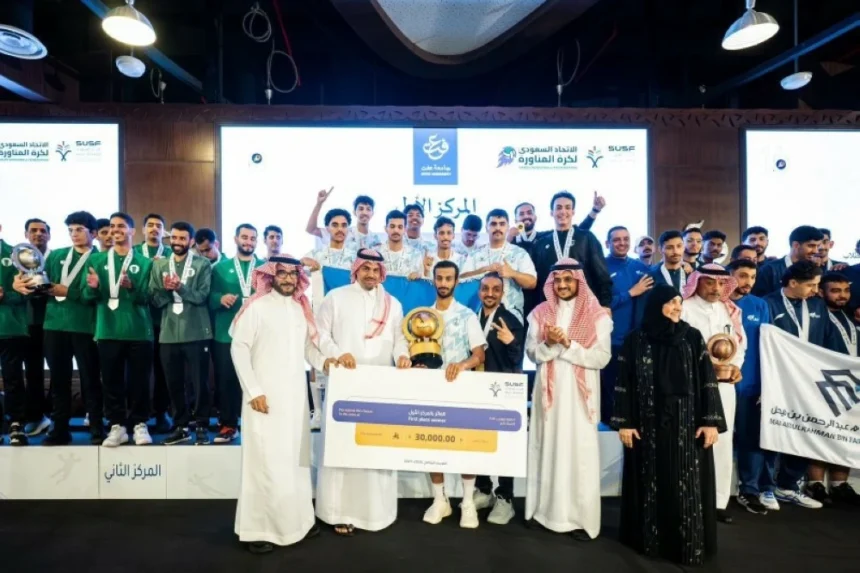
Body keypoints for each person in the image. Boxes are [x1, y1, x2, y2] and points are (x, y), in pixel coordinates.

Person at [612, 284, 726, 566]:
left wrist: (710, 422)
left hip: (688, 426)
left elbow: (707, 380)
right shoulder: (636, 339)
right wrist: (625, 422)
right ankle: (651, 543)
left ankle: (687, 545)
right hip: (646, 427)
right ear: (656, 305)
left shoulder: (692, 337)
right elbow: (624, 382)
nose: (677, 307)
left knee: (686, 484)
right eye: (671, 302)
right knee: (650, 482)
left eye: (679, 302)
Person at [230, 255, 334, 554]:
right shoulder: (256, 307)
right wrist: (254, 391)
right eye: (282, 273)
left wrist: (326, 362)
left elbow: (307, 349)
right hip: (263, 400)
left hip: (294, 401)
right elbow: (239, 349)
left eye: (292, 274)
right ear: (270, 276)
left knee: (295, 462)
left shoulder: (300, 308)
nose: (288, 279)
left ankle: (299, 521)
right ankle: (259, 529)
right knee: (265, 464)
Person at [315, 249, 411, 535]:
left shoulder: (393, 304)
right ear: (356, 269)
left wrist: (403, 356)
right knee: (343, 447)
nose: (371, 274)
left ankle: (377, 513)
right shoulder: (336, 297)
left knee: (375, 447)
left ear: (382, 272)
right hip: (345, 384)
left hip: (380, 386)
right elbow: (320, 334)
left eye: (375, 269)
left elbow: (400, 338)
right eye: (365, 268)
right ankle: (339, 512)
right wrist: (338, 354)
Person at [525, 258, 612, 541]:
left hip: (579, 398)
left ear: (578, 282)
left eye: (568, 280)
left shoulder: (597, 315)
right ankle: (544, 513)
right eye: (557, 281)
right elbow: (532, 354)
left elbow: (601, 358)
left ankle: (579, 519)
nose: (562, 285)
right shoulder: (539, 314)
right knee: (547, 448)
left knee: (578, 455)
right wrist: (549, 343)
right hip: (548, 396)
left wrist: (566, 344)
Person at [15, 212, 103, 445]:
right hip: (54, 325)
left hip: (86, 326)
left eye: (80, 229)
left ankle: (96, 427)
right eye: (71, 230)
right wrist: (22, 284)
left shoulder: (100, 259)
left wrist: (69, 292)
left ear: (93, 233)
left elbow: (99, 295)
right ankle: (60, 429)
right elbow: (41, 283)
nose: (74, 234)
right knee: (59, 380)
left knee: (90, 379)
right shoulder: (57, 256)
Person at [763, 260, 839, 509]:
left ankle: (788, 486)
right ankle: (766, 487)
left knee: (806, 431)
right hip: (778, 379)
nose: (816, 290)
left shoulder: (817, 305)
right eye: (811, 285)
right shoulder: (768, 303)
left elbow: (825, 342)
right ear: (793, 282)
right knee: (774, 431)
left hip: (809, 380)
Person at [422, 260, 487, 528]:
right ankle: (440, 500)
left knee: (465, 446)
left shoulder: (467, 315)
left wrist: (461, 365)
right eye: (439, 278)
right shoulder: (423, 315)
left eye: (449, 278)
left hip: (462, 389)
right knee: (432, 445)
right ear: (434, 280)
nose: (443, 283)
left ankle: (467, 502)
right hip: (431, 390)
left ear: (456, 282)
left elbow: (479, 354)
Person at [680, 264, 746, 524]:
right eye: (709, 282)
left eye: (720, 283)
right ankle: (689, 496)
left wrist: (735, 367)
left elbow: (739, 345)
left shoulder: (729, 310)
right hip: (692, 385)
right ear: (696, 282)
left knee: (722, 440)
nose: (716, 288)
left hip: (724, 385)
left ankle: (717, 501)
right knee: (690, 438)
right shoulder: (683, 307)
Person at [82, 212, 154, 447]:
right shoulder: (96, 261)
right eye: (112, 226)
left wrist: (131, 287)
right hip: (108, 329)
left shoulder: (145, 263)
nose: (116, 230)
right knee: (111, 381)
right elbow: (86, 296)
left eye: (121, 226)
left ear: (132, 231)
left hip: (138, 330)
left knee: (139, 381)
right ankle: (117, 425)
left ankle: (139, 424)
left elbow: (149, 298)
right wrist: (93, 288)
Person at [150, 222, 213, 446]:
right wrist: (167, 290)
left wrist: (180, 287)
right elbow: (154, 299)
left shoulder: (202, 264)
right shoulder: (160, 265)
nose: (177, 242)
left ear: (191, 241)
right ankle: (180, 426)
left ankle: (202, 425)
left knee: (199, 382)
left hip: (196, 331)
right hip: (168, 332)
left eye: (182, 238)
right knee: (173, 383)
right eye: (174, 238)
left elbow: (202, 296)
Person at [472, 272, 525, 525]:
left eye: (495, 289)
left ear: (503, 293)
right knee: (479, 442)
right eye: (485, 288)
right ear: (479, 291)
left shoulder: (511, 320)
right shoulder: (473, 317)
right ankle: (484, 491)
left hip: (502, 391)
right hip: (477, 389)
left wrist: (512, 342)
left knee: (504, 446)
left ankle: (505, 498)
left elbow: (518, 359)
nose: (490, 293)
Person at [804, 272, 860, 506]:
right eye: (835, 291)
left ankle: (839, 484)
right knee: (822, 432)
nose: (842, 296)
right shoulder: (816, 316)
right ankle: (814, 483)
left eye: (845, 291)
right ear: (821, 292)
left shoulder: (850, 316)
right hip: (824, 382)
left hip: (851, 383)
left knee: (846, 433)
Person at [727, 260, 776, 514]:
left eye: (753, 277)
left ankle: (750, 490)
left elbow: (768, 346)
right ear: (729, 276)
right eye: (743, 275)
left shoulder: (760, 305)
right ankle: (711, 489)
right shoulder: (717, 304)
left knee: (751, 438)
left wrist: (766, 384)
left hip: (752, 384)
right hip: (719, 384)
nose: (748, 282)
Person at [208, 224, 263, 443]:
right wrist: (219, 298)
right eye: (244, 237)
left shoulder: (265, 267)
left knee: (258, 379)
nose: (248, 242)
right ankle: (228, 425)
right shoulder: (220, 268)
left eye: (252, 238)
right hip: (226, 333)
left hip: (258, 335)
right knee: (226, 380)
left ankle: (258, 424)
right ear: (236, 239)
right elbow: (208, 296)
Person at [523, 192, 612, 309]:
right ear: (551, 212)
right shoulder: (541, 244)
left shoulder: (586, 238)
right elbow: (535, 281)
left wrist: (605, 304)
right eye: (558, 207)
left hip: (583, 307)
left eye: (567, 207)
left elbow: (602, 275)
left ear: (573, 212)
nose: (563, 211)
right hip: (551, 309)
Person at [602, 226, 652, 424]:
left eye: (626, 239)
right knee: (612, 390)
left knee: (636, 390)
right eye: (616, 240)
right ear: (607, 243)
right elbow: (598, 304)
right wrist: (631, 293)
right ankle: (609, 429)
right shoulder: (601, 267)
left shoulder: (641, 267)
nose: (622, 243)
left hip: (638, 342)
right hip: (611, 341)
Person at [462, 209, 537, 322]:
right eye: (493, 224)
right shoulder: (475, 254)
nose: (497, 228)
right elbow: (461, 279)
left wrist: (513, 273)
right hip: (477, 316)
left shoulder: (519, 253)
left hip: (511, 316)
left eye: (502, 224)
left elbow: (532, 283)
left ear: (508, 227)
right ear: (486, 228)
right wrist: (484, 269)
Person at [134, 213, 171, 433]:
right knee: (137, 372)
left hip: (163, 320)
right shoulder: (133, 253)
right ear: (143, 230)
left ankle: (161, 412)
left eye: (159, 225)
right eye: (150, 225)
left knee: (162, 370)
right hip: (137, 320)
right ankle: (136, 415)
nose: (154, 229)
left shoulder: (170, 254)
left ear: (164, 231)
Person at [21, 218, 52, 436]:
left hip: (55, 323)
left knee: (60, 372)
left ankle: (56, 413)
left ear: (49, 235)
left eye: (42, 231)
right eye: (33, 230)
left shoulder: (56, 258)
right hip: (30, 323)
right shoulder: (18, 260)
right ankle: (36, 416)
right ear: (26, 235)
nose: (38, 234)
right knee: (33, 371)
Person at [0, 232, 31, 445]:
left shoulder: (16, 254)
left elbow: (27, 290)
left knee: (13, 378)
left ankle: (16, 424)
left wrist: (5, 296)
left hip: (10, 326)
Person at [752, 225, 823, 296]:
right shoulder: (769, 270)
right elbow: (759, 300)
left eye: (818, 246)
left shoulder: (816, 269)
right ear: (796, 245)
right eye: (811, 246)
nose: (816, 251)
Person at [306, 188, 381, 250]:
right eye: (361, 209)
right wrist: (319, 203)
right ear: (354, 212)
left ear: (372, 213)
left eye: (368, 209)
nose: (364, 212)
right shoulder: (343, 232)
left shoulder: (375, 239)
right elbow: (311, 229)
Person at [378, 210, 423, 279]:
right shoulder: (376, 254)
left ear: (405, 229)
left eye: (400, 227)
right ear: (386, 228)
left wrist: (419, 276)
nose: (396, 230)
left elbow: (423, 280)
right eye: (392, 226)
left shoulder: (415, 255)